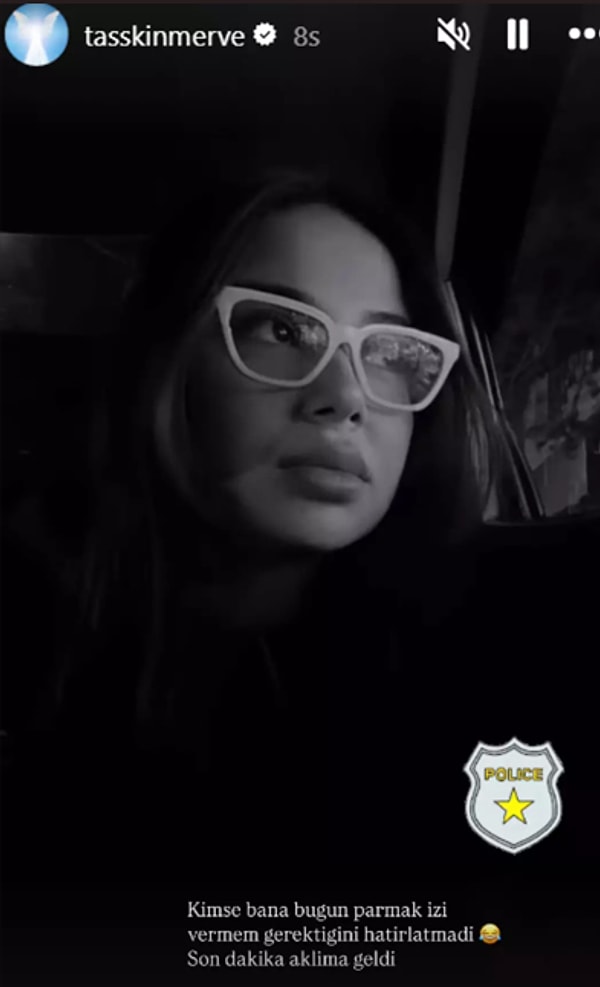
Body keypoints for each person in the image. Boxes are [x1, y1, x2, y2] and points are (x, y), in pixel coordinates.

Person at [3, 169, 505, 879]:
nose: (345, 397)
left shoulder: (487, 664)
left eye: (390, 352)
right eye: (281, 329)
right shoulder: (30, 635)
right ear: (166, 356)